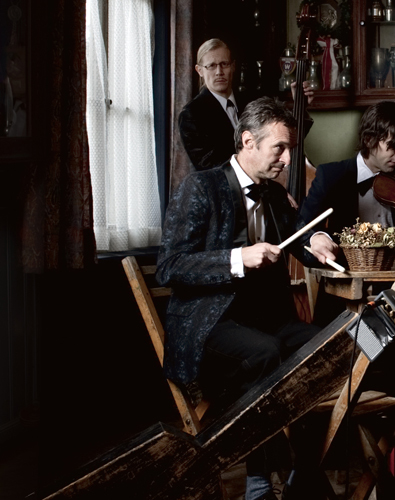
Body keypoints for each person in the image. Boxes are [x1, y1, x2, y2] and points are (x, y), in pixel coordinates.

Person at [158, 97, 326, 500]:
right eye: (280, 148)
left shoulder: (274, 193)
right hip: (209, 326)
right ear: (248, 141)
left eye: (289, 149)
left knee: (330, 346)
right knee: (265, 353)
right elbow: (170, 267)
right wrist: (237, 258)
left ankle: (303, 473)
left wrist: (317, 239)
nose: (288, 159)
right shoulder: (201, 187)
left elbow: (300, 239)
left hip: (265, 321)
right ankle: (258, 482)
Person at [301, 101, 395, 265]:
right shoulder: (331, 175)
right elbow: (304, 230)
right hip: (348, 275)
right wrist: (321, 239)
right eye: (393, 147)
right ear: (369, 140)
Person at [178, 39, 312, 171]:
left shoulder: (252, 101)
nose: (219, 72)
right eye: (211, 66)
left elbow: (286, 138)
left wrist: (301, 106)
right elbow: (210, 168)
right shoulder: (191, 114)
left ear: (233, 66)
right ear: (199, 70)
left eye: (224, 64)